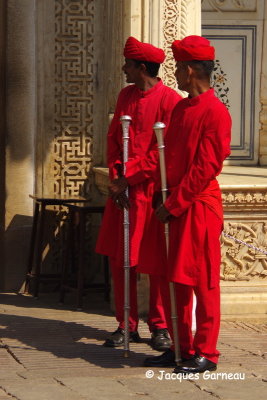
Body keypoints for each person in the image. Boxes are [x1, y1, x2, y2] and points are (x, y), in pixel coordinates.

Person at [144, 35, 232, 373]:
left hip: (197, 206)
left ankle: (206, 352)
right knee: (172, 277)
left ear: (191, 70)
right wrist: (157, 192)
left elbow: (205, 168)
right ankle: (181, 345)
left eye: (178, 68)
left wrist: (174, 203)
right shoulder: (181, 108)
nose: (175, 75)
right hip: (173, 202)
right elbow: (165, 156)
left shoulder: (216, 112)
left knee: (201, 278)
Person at [96, 36, 181, 350]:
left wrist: (129, 177)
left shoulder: (169, 100)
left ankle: (159, 325)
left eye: (129, 65)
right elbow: (115, 139)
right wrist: (118, 175)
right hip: (125, 193)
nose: (124, 69)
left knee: (154, 263)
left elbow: (165, 152)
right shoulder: (125, 96)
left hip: (152, 192)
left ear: (142, 67)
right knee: (123, 262)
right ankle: (125, 324)